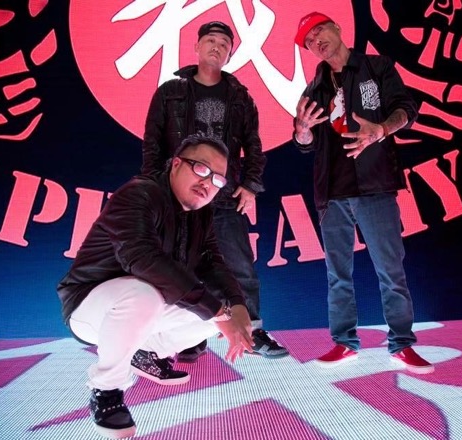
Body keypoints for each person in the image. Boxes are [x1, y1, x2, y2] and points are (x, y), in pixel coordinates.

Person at [57, 134, 255, 439]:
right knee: (152, 296)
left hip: (144, 309)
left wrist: (236, 306)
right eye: (201, 169)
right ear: (176, 164)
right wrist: (218, 312)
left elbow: (212, 263)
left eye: (217, 179)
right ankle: (107, 389)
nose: (207, 183)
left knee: (220, 313)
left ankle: (146, 352)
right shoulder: (139, 194)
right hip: (91, 308)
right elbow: (141, 258)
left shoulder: (201, 214)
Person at [292, 12, 434, 374]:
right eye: (309, 41)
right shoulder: (314, 89)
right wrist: (302, 131)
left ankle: (401, 344)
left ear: (338, 27)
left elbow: (406, 109)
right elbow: (306, 144)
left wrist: (381, 130)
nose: (316, 41)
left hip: (375, 185)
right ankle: (344, 342)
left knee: (390, 269)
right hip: (331, 193)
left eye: (319, 30)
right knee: (337, 274)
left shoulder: (377, 66)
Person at [141, 21, 288, 361]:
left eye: (224, 43)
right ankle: (186, 336)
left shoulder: (240, 96)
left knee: (239, 265)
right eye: (210, 40)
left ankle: (251, 330)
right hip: (178, 196)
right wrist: (154, 188)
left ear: (230, 54)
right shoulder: (170, 92)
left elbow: (254, 146)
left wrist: (250, 185)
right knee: (178, 266)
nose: (216, 47)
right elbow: (152, 144)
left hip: (223, 195)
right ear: (196, 47)